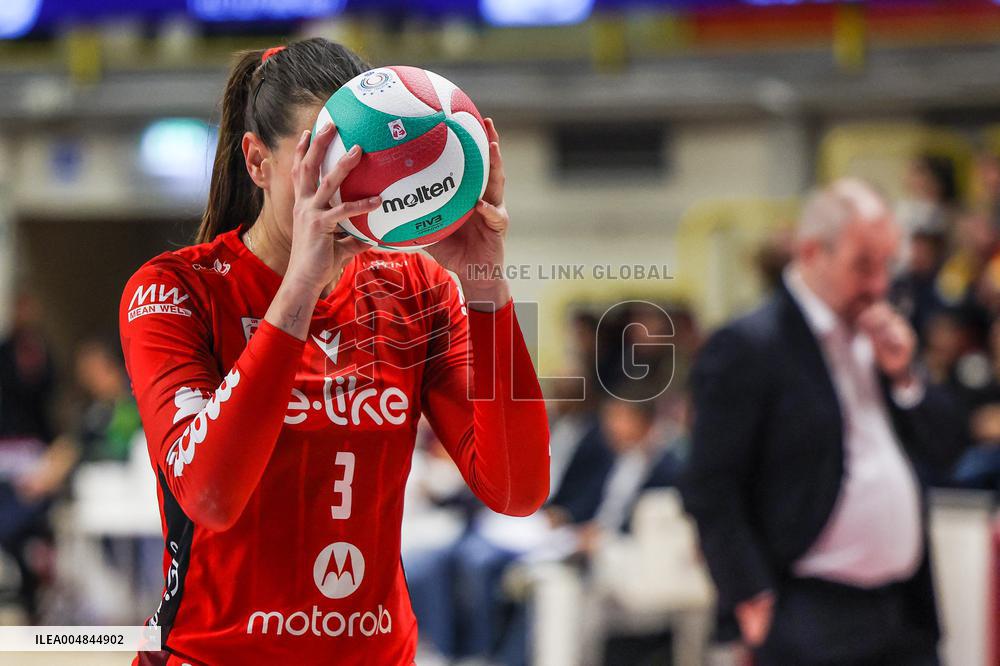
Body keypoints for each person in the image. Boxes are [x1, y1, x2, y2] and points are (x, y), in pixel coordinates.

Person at [119, 38, 549, 665]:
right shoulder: (176, 290)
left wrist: (485, 284)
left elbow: (519, 490)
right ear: (257, 161)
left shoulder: (413, 290)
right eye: (321, 162)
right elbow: (209, 497)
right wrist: (299, 290)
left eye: (367, 162)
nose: (348, 189)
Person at [680, 178, 968, 665]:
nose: (879, 284)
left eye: (886, 265)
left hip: (904, 607)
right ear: (813, 252)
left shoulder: (881, 331)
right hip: (808, 610)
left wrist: (906, 378)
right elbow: (709, 484)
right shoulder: (751, 345)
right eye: (863, 265)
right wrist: (748, 593)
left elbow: (948, 448)